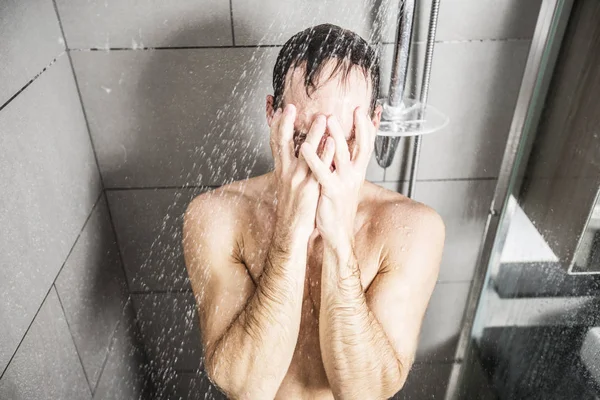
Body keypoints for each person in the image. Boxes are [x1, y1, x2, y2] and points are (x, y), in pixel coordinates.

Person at [183, 23, 445, 400]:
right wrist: (290, 230)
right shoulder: (215, 216)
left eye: (345, 139)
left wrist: (339, 240)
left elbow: (366, 393)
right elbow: (244, 386)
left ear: (373, 124)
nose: (323, 160)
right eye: (304, 139)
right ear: (273, 115)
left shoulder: (413, 228)